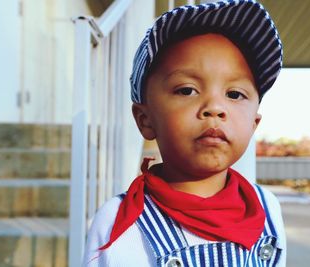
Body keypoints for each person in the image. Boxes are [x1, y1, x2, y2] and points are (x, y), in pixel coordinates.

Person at [83, 0, 286, 266]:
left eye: (234, 94)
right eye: (187, 90)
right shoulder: (117, 223)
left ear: (253, 125)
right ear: (145, 120)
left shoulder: (267, 209)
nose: (214, 107)